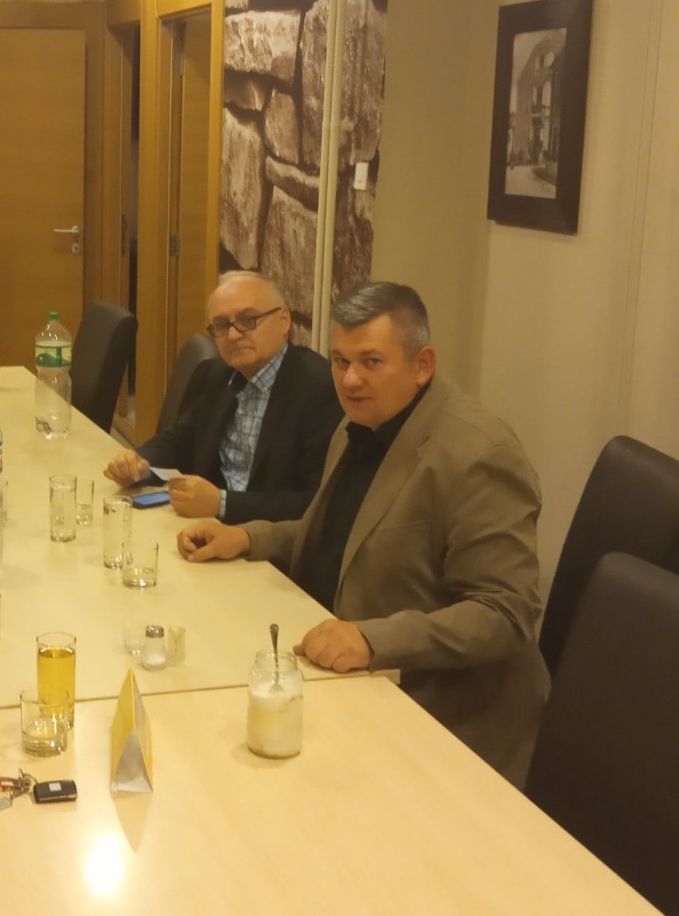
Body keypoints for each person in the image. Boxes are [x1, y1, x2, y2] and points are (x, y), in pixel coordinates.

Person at [177, 282, 549, 785]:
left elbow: (505, 614)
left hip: (440, 716)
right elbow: (346, 535)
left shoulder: (479, 455)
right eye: (339, 361)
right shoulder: (362, 421)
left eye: (371, 362)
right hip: (338, 672)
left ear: (422, 365)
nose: (350, 380)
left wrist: (371, 639)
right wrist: (248, 538)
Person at [104, 272, 340, 523]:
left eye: (248, 320)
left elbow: (316, 503)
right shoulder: (220, 373)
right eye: (221, 325)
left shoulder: (320, 388)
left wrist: (223, 503)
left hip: (266, 537)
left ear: (284, 321)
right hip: (205, 523)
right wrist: (139, 463)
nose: (233, 336)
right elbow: (182, 439)